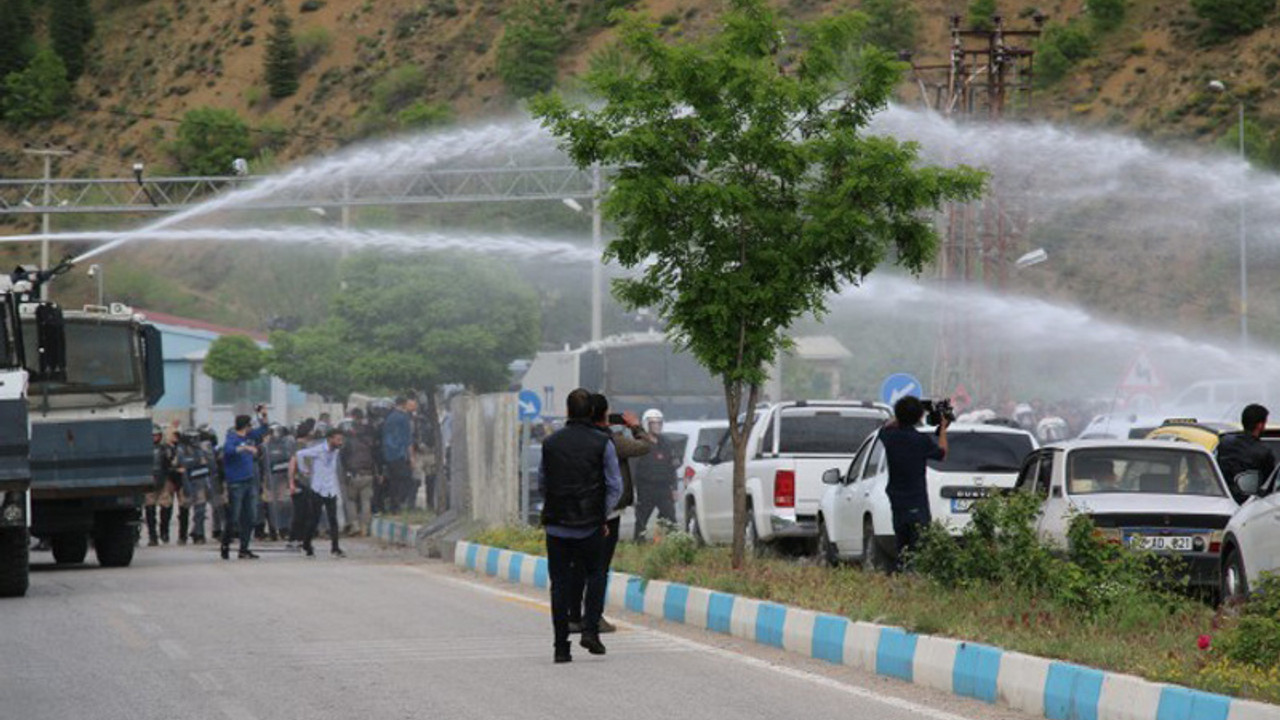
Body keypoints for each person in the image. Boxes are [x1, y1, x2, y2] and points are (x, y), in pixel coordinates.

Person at [540, 388, 622, 664]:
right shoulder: (603, 443)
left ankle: (560, 647)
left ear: (567, 411)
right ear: (591, 412)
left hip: (556, 526)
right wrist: (601, 515)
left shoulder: (550, 443)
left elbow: (543, 483)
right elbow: (614, 486)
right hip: (590, 526)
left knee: (559, 585)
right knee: (596, 574)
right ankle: (590, 630)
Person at [568, 394, 653, 635]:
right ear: (604, 415)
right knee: (598, 569)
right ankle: (593, 619)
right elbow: (646, 446)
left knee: (578, 566)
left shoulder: (574, 440)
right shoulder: (612, 442)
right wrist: (635, 425)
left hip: (578, 511)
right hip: (607, 513)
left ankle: (573, 617)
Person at [878, 396, 948, 572]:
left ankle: (903, 574)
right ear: (918, 417)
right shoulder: (921, 441)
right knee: (920, 546)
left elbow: (885, 427)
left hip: (897, 501)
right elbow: (942, 453)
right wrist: (943, 429)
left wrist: (902, 415)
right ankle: (915, 577)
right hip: (917, 501)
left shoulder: (889, 437)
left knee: (903, 545)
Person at [221, 411, 272, 560]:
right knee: (234, 517)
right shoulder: (232, 437)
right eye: (250, 425)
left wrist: (263, 415)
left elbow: (264, 430)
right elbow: (228, 450)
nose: (252, 428)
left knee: (250, 516)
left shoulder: (250, 436)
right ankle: (225, 544)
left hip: (250, 481)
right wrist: (244, 448)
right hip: (236, 482)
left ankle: (244, 549)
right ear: (246, 426)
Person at [295, 427, 347, 558]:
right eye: (338, 439)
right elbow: (300, 454)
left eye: (341, 439)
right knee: (314, 519)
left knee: (333, 519)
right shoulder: (318, 450)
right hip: (318, 488)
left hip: (331, 488)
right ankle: (306, 543)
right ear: (330, 439)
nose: (340, 442)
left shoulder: (336, 451)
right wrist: (303, 469)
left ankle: (335, 548)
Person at [631, 408, 679, 541]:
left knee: (671, 520)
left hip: (663, 488)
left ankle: (674, 544)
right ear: (647, 424)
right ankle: (639, 545)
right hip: (645, 488)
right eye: (653, 423)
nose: (657, 426)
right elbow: (633, 468)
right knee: (641, 520)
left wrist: (674, 488)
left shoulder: (667, 443)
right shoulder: (640, 443)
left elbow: (672, 467)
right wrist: (633, 490)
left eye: (659, 423)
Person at [1216, 403, 1276, 504]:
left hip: (1222, 498)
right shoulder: (1264, 452)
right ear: (1260, 425)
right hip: (1250, 503)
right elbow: (1270, 482)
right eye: (1264, 423)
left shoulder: (1225, 443)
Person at [341, 409, 377, 537]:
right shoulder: (369, 438)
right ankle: (365, 527)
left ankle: (354, 525)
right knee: (366, 501)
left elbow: (343, 457)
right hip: (368, 473)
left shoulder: (348, 440)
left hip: (353, 474)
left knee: (351, 500)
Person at [174, 429, 212, 545]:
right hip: (186, 483)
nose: (196, 441)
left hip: (200, 483)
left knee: (200, 510)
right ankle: (182, 536)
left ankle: (199, 534)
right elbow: (176, 466)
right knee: (184, 510)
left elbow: (209, 466)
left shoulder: (202, 450)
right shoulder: (180, 451)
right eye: (193, 438)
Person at [382, 396, 416, 513]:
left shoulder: (389, 417)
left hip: (389, 454)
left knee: (393, 481)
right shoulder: (403, 418)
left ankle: (393, 506)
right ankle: (400, 503)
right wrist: (411, 457)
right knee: (407, 480)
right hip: (400, 453)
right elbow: (407, 439)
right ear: (403, 404)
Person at [262, 424, 296, 542]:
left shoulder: (286, 446)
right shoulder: (264, 447)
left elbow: (290, 460)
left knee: (284, 504)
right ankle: (273, 530)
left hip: (283, 479)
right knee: (271, 505)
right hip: (269, 480)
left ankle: (284, 529)